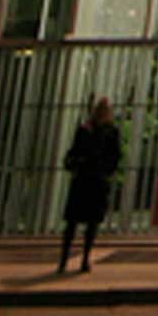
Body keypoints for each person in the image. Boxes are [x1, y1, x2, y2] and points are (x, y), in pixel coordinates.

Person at [59, 96, 121, 274]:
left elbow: (114, 156)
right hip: (89, 179)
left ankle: (80, 259)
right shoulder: (89, 129)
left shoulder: (101, 130)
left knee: (86, 223)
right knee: (76, 224)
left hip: (91, 179)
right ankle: (69, 260)